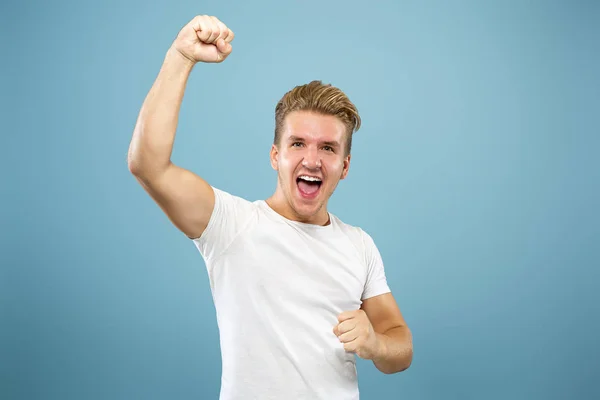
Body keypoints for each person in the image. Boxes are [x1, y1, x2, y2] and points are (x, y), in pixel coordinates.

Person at [128, 14, 413, 400]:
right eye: (298, 144)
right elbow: (149, 166)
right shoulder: (230, 225)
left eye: (327, 148)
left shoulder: (359, 245)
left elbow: (400, 346)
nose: (312, 160)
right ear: (275, 156)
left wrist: (375, 344)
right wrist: (181, 56)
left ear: (344, 167)